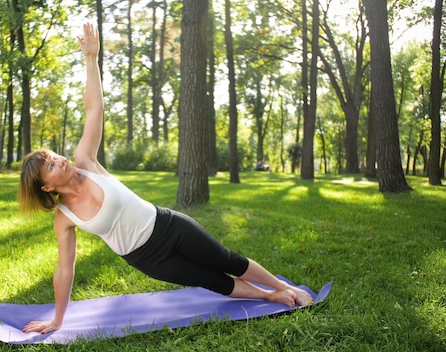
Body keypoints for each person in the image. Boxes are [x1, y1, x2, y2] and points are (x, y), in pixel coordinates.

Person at [19, 23, 313, 335]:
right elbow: (65, 270)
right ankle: (272, 295)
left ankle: (284, 287)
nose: (58, 159)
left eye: (53, 155)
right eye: (50, 165)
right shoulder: (64, 218)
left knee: (227, 259)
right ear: (47, 186)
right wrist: (57, 321)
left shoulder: (86, 162)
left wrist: (91, 59)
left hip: (168, 225)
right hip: (147, 258)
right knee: (212, 280)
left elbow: (94, 110)